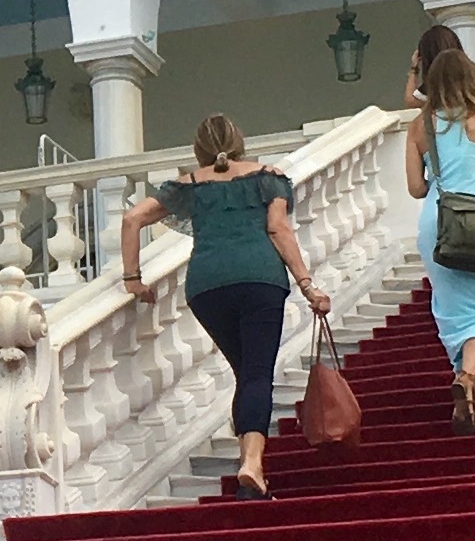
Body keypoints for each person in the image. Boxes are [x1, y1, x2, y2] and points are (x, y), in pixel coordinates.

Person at [116, 116, 333, 502]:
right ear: (239, 142)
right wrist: (307, 285)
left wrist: (133, 278)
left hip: (208, 287)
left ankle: (251, 479)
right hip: (260, 280)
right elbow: (278, 229)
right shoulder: (269, 178)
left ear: (198, 149)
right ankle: (252, 464)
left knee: (245, 374)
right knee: (257, 374)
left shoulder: (189, 185)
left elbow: (133, 218)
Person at [404, 45, 475, 428]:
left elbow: (416, 188)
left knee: (455, 312)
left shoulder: (419, 127)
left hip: (438, 222)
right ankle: (467, 378)